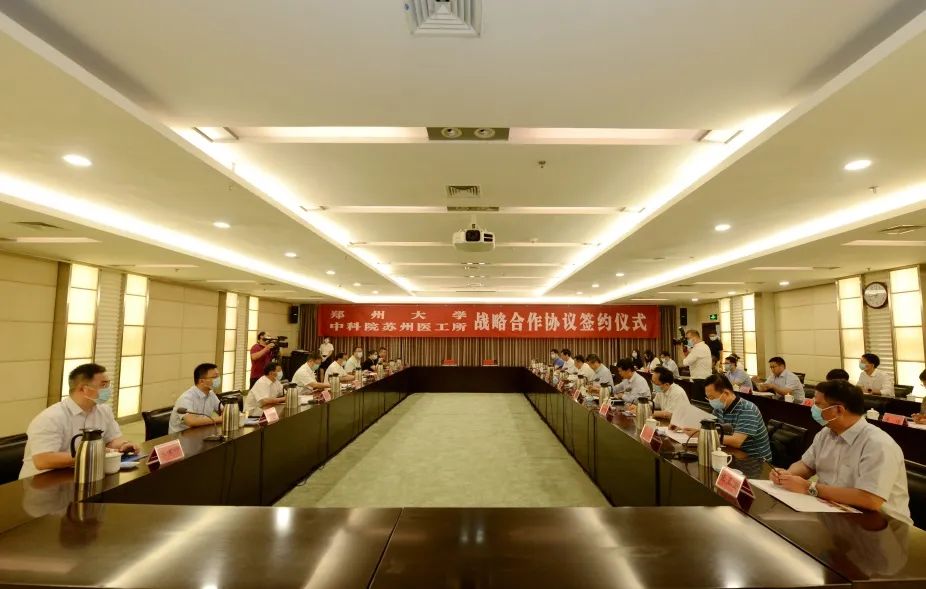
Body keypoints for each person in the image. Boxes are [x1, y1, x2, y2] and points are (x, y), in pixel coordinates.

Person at [771, 379, 911, 525]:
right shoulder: (826, 433)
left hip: (883, 525)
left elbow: (870, 499)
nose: (813, 408)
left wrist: (810, 488)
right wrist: (786, 475)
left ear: (838, 409)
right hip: (836, 512)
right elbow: (806, 465)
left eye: (818, 404)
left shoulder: (878, 444)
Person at [20, 363, 139, 479]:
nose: (108, 389)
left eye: (108, 384)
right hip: (43, 482)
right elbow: (43, 460)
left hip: (83, 474)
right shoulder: (51, 418)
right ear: (84, 389)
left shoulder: (103, 410)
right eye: (103, 385)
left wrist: (124, 445)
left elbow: (111, 440)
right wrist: (91, 455)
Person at [687, 374, 772, 460]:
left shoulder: (747, 409)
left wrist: (704, 435)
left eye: (712, 398)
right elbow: (714, 430)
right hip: (732, 454)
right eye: (708, 398)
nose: (710, 401)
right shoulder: (718, 409)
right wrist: (698, 430)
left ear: (726, 393)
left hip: (755, 461)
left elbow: (736, 441)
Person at [168, 363, 223, 434]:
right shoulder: (186, 398)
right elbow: (191, 422)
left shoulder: (211, 394)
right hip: (180, 437)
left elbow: (223, 410)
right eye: (214, 377)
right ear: (202, 381)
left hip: (200, 433)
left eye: (218, 376)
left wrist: (225, 414)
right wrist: (219, 419)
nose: (218, 379)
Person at [683, 330, 712, 400]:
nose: (687, 341)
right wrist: (688, 348)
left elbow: (685, 363)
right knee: (702, 402)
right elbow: (692, 355)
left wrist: (681, 350)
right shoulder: (704, 346)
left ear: (694, 338)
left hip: (699, 381)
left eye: (688, 338)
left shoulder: (698, 348)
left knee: (697, 403)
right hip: (704, 379)